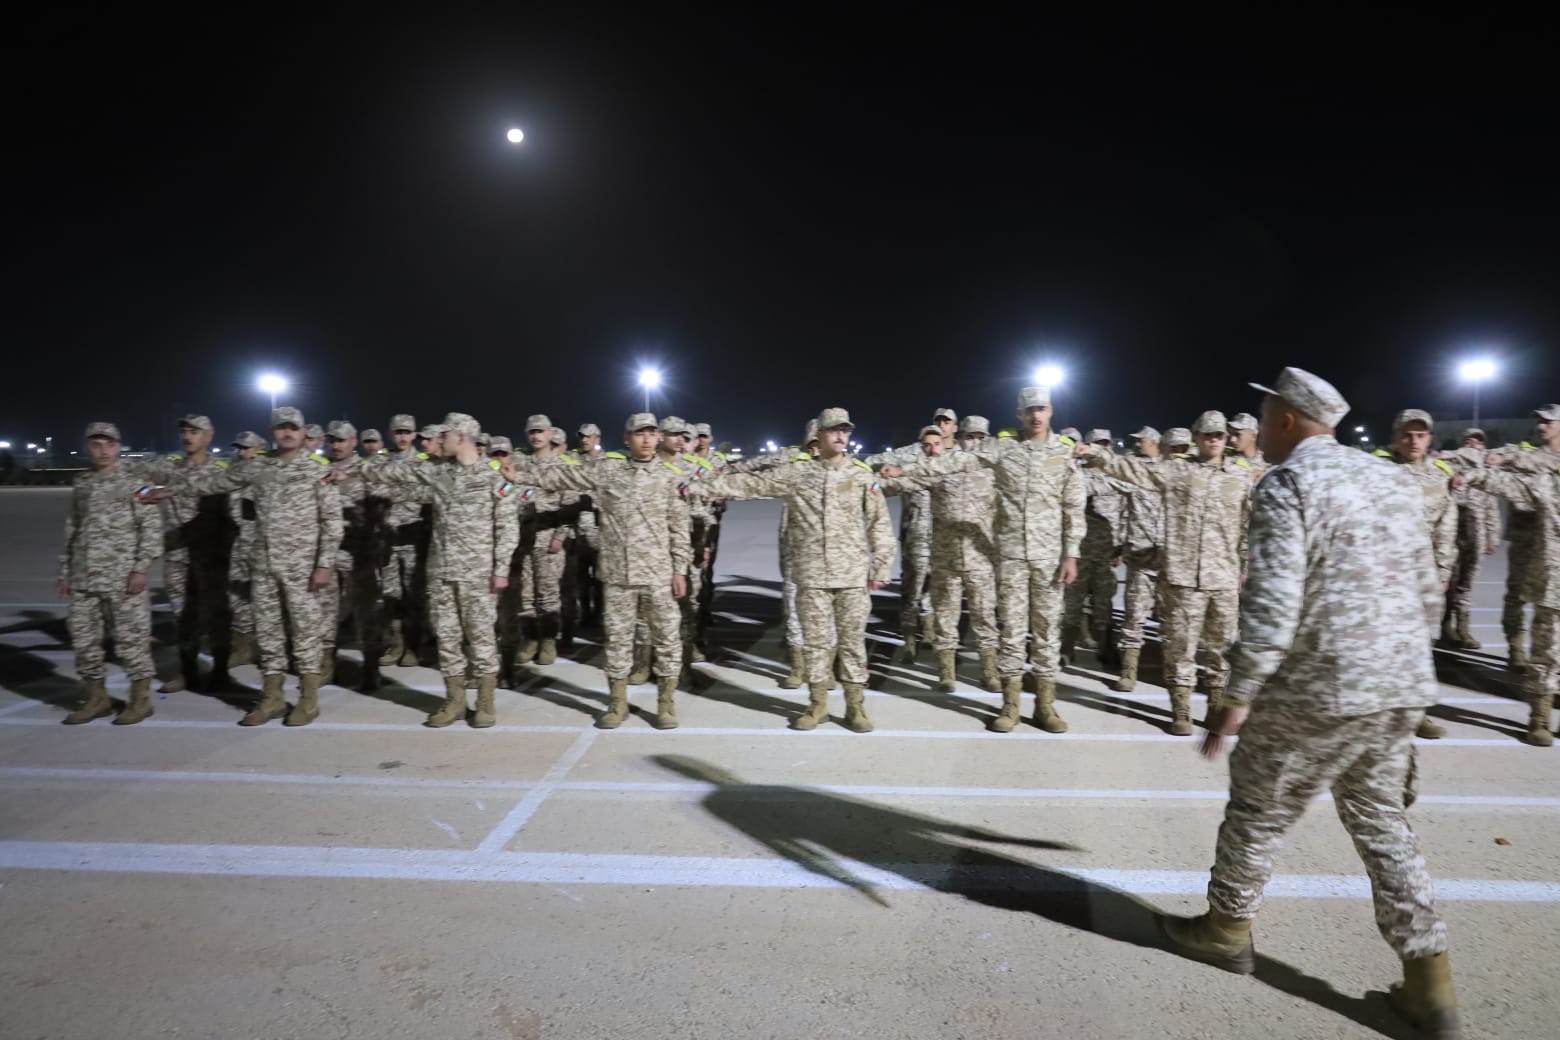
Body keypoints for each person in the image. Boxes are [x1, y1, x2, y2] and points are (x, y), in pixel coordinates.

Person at [1162, 367, 1458, 1040]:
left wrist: (1237, 694)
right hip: (1397, 684)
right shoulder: (1390, 479)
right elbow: (1426, 590)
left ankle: (1225, 928)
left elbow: (1272, 605)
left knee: (1257, 809)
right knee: (1382, 822)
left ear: (1287, 420)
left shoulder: (1288, 483)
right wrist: (1406, 674)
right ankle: (1430, 984)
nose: (1259, 430)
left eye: (1265, 416)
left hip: (1322, 687)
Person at [881, 387, 1082, 734]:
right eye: (1029, 409)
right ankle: (1010, 705)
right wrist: (906, 470)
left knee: (1047, 631)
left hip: (1049, 557)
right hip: (1011, 556)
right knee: (1012, 631)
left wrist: (1072, 553)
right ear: (1019, 414)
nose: (1036, 415)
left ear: (1050, 411)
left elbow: (1073, 506)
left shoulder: (1063, 452)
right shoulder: (1003, 447)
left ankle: (1046, 706)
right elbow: (957, 461)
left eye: (1042, 408)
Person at [700, 408, 894, 731]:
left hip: (851, 575)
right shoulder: (798, 473)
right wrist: (702, 486)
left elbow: (880, 524)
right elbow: (752, 484)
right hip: (811, 575)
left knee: (852, 643)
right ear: (819, 435)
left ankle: (855, 707)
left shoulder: (861, 476)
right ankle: (817, 705)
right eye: (833, 430)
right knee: (815, 644)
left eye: (845, 430)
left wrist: (882, 565)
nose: (840, 436)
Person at [155, 407, 341, 726]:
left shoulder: (317, 471)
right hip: (264, 565)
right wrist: (168, 489)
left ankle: (308, 700)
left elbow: (332, 521)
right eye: (281, 428)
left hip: (301, 568)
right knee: (267, 633)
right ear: (272, 432)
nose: (287, 433)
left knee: (305, 631)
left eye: (293, 428)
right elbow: (213, 483)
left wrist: (324, 565)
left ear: (302, 432)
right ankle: (272, 698)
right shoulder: (258, 467)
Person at [506, 413, 692, 730]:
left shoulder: (669, 477)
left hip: (658, 574)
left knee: (667, 640)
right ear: (626, 438)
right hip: (618, 575)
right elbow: (563, 476)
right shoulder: (607, 471)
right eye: (639, 433)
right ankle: (617, 703)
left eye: (651, 432)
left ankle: (666, 704)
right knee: (617, 641)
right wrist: (520, 474)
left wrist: (679, 570)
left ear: (658, 437)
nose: (646, 438)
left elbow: (679, 527)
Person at [1079, 410, 1252, 734]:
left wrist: (1244, 566)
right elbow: (1133, 469)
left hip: (1223, 579)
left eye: (1218, 434)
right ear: (1197, 438)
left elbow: (1245, 528)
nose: (1213, 440)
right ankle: (1181, 711)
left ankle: (1216, 708)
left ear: (1225, 438)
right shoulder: (1177, 471)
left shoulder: (1239, 478)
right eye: (1207, 434)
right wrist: (1098, 455)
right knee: (1180, 648)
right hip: (1182, 578)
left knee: (1221, 651)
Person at [366, 413, 516, 727]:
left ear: (460, 437)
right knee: (447, 638)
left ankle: (485, 703)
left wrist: (501, 569)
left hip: (478, 573)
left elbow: (507, 527)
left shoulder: (493, 478)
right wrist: (357, 470)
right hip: (442, 571)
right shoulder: (437, 471)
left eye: (444, 435)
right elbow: (395, 471)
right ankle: (454, 701)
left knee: (481, 637)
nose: (438, 440)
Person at [880, 416, 1000, 693]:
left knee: (985, 617)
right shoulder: (939, 468)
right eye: (969, 437)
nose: (975, 442)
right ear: (959, 439)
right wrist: (868, 483)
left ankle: (989, 671)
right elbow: (899, 483)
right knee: (946, 617)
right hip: (946, 558)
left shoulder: (993, 472)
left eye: (980, 438)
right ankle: (946, 673)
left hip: (980, 559)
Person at [57, 422, 162, 725]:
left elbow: (151, 527)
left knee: (131, 640)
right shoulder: (82, 482)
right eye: (96, 445)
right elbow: (73, 528)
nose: (103, 450)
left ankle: (140, 701)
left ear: (118, 446)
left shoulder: (137, 483)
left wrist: (140, 568)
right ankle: (96, 698)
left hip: (122, 577)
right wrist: (65, 571)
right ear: (88, 448)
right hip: (84, 577)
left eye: (109, 444)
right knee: (84, 642)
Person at [1462, 449, 1560, 748]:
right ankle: (1540, 717)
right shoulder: (1550, 484)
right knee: (1547, 654)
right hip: (1554, 587)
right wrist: (1470, 476)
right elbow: (1507, 483)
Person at [136, 415, 237, 693]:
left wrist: (226, 551)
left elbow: (232, 515)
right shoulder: (169, 468)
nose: (188, 436)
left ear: (208, 436)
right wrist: (146, 493)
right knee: (182, 615)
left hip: (210, 555)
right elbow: (132, 484)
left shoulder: (220, 472)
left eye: (195, 431)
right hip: (177, 556)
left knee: (217, 613)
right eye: (184, 431)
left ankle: (220, 671)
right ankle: (188, 671)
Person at [1376, 409, 1458, 740]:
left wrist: (1443, 570)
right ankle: (1381, 712)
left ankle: (1417, 713)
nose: (1414, 441)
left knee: (1422, 646)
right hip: (1383, 575)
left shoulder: (1439, 477)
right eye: (1407, 434)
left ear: (1429, 439)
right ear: (1395, 438)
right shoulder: (1376, 473)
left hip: (1424, 577)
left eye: (1420, 435)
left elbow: (1446, 528)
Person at [1496, 405, 1560, 672]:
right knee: (1517, 594)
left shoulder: (1533, 459)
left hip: (1553, 544)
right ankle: (1515, 645)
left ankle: (1549, 660)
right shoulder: (1527, 455)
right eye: (1539, 422)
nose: (1541, 426)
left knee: (1552, 605)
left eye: (1548, 422)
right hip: (1526, 537)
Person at [1063, 429, 1125, 663]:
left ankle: (1106, 646)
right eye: (1097, 443)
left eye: (1105, 443)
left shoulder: (1115, 475)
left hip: (1106, 550)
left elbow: (1124, 511)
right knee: (1073, 599)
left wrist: (1120, 545)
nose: (1103, 447)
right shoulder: (1076, 473)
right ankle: (1066, 648)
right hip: (1080, 550)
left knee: (1104, 600)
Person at [377, 415, 432, 668]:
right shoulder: (381, 463)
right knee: (390, 595)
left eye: (406, 432)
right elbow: (371, 490)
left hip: (414, 541)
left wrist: (395, 495)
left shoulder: (424, 464)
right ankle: (396, 643)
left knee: (414, 594)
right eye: (398, 432)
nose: (402, 436)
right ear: (391, 434)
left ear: (414, 435)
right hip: (388, 540)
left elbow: (430, 495)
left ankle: (413, 645)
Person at [1113, 426, 1165, 691]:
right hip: (1141, 558)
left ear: (1154, 442)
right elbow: (1107, 482)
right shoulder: (1135, 472)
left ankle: (1172, 670)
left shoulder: (1174, 472)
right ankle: (1129, 671)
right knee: (1134, 614)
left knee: (1172, 621)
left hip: (1171, 562)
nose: (1136, 444)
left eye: (1140, 441)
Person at [1442, 428, 1500, 650]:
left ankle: (1463, 629)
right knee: (1449, 581)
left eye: (1478, 442)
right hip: (1452, 533)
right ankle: (1446, 627)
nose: (1474, 445)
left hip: (1476, 534)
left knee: (1466, 584)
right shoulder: (1449, 466)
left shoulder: (1486, 474)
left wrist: (1493, 537)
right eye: (1469, 441)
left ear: (1483, 446)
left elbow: (1492, 507)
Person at [225, 430, 266, 666]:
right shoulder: (232, 473)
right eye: (239, 448)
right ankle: (243, 646)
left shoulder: (267, 473)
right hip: (238, 544)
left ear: (259, 448)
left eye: (246, 448)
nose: (241, 452)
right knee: (237, 596)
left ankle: (274, 648)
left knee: (266, 598)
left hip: (261, 546)